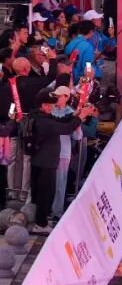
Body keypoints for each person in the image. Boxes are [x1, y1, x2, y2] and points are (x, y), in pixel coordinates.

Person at [28, 88, 91, 234]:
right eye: (51, 105)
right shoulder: (44, 122)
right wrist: (81, 117)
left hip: (41, 160)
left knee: (42, 193)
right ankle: (40, 224)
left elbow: (60, 121)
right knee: (45, 194)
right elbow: (66, 128)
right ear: (43, 105)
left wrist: (74, 114)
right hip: (45, 162)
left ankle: (40, 220)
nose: (53, 107)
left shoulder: (39, 116)